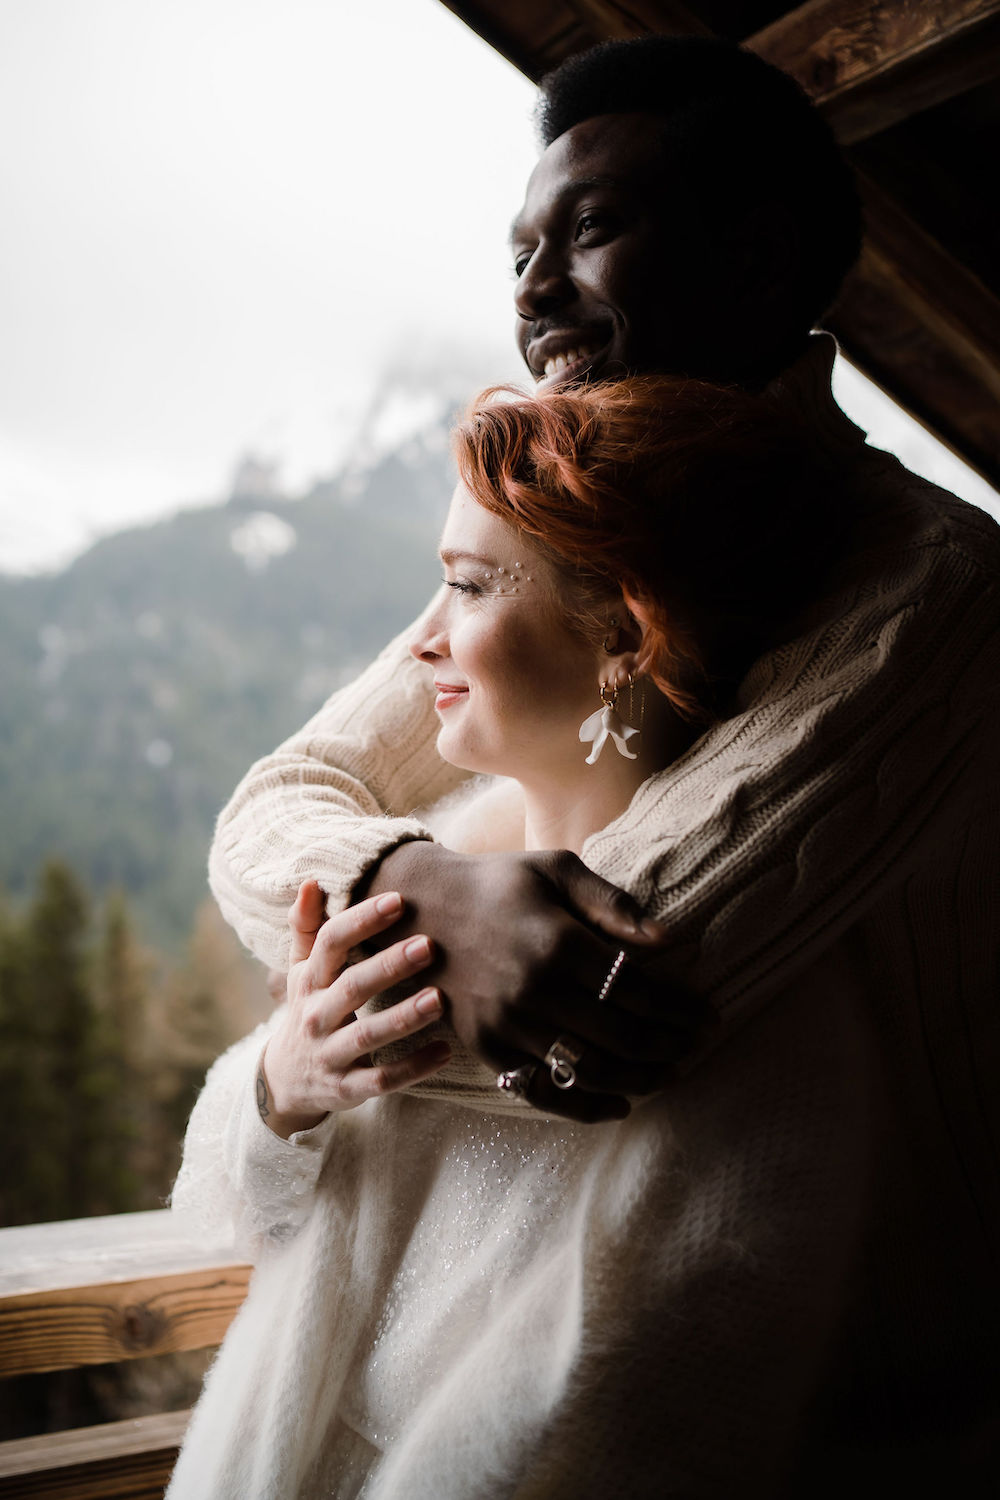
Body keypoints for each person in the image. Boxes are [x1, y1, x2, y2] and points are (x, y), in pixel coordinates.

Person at [201, 33, 1000, 1481]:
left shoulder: (932, 586)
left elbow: (630, 985)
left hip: (878, 1423)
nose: (531, 286)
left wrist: (327, 1003)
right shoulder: (554, 546)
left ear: (762, 258)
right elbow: (270, 808)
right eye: (519, 249)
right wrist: (412, 880)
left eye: (592, 229)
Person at [171, 373, 875, 1498]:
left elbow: (643, 1424)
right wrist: (282, 1085)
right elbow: (232, 1213)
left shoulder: (743, 1018)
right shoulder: (413, 898)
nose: (422, 648)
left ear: (624, 637)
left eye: (467, 589)